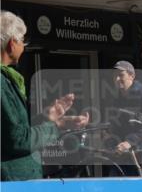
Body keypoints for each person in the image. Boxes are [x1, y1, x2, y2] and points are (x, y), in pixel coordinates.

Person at [1, 10, 88, 181]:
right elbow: (18, 141)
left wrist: (47, 117)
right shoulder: (2, 83)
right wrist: (57, 125)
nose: (24, 47)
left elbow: (14, 132)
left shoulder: (7, 80)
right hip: (12, 186)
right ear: (12, 44)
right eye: (23, 41)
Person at [110, 60, 142, 176]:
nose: (117, 79)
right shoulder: (118, 99)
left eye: (121, 75)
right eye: (115, 76)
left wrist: (129, 142)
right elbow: (118, 124)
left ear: (132, 76)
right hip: (124, 156)